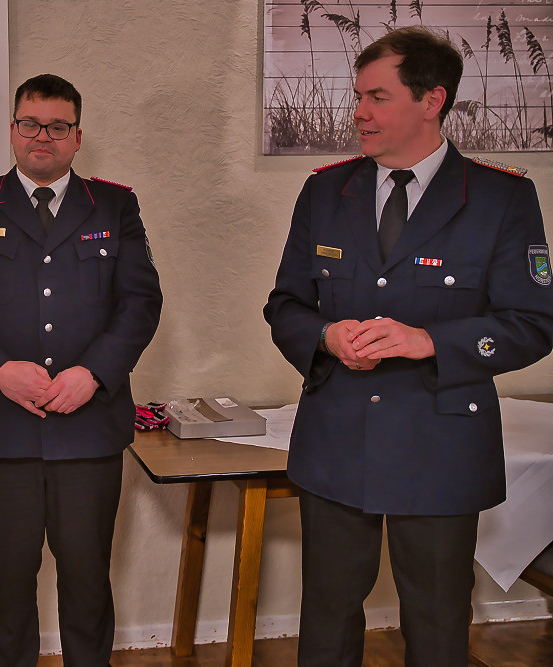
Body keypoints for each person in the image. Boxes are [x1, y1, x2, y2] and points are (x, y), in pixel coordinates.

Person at [264, 27, 553, 666]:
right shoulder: (324, 191)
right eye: (358, 96)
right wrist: (325, 335)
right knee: (327, 616)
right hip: (337, 437)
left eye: (377, 96)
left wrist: (429, 340)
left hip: (441, 443)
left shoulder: (501, 197)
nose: (359, 112)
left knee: (437, 620)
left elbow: (533, 321)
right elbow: (285, 305)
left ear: (431, 100)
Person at [0, 73, 162, 666]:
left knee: (87, 580)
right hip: (1, 431)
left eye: (57, 126)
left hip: (89, 428)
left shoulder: (115, 205)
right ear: (13, 131)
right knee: (6, 581)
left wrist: (94, 375)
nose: (42, 136)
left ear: (77, 136)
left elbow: (140, 302)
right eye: (30, 124)